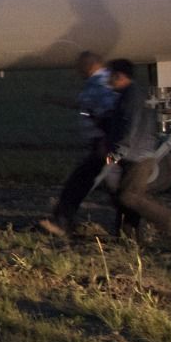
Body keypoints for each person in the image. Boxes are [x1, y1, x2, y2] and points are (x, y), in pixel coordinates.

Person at [96, 59, 171, 240]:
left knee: (128, 197)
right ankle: (128, 237)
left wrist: (115, 155)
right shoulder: (128, 95)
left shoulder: (131, 97)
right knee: (124, 198)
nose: (107, 81)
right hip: (136, 155)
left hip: (137, 157)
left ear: (119, 76)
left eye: (109, 76)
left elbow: (130, 128)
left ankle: (170, 219)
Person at [41, 51, 118, 236]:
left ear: (90, 66)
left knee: (79, 183)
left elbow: (107, 111)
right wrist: (55, 100)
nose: (77, 71)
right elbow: (85, 105)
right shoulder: (101, 82)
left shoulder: (100, 83)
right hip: (105, 144)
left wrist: (105, 138)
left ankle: (62, 222)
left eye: (80, 67)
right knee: (110, 186)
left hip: (103, 145)